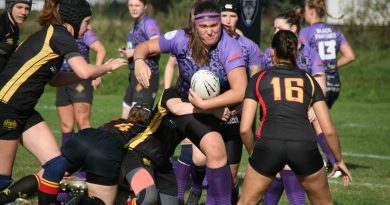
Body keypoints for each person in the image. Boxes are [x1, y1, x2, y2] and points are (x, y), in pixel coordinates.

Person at [0, 0, 127, 204]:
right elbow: (85, 70)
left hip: (23, 110)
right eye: (86, 22)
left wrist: (82, 76)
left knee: (56, 165)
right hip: (7, 107)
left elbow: (55, 79)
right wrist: (107, 67)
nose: (87, 29)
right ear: (75, 20)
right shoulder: (60, 35)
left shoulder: (55, 34)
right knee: (2, 180)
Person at [134, 1, 247, 204]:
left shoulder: (230, 47)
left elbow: (240, 90)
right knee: (148, 152)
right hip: (181, 101)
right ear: (194, 26)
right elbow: (145, 46)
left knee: (215, 149)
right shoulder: (180, 38)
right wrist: (139, 61)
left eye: (215, 26)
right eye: (204, 27)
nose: (211, 32)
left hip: (208, 108)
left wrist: (205, 107)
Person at [237, 30, 352, 205]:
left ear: (272, 53)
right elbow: (328, 130)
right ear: (296, 53)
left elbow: (245, 129)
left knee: (246, 202)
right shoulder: (309, 80)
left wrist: (255, 154)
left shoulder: (258, 79)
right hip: (304, 145)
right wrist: (339, 160)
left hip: (268, 145)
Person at [186, 1, 262, 204]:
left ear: (238, 19)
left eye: (232, 16)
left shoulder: (249, 47)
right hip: (207, 110)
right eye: (224, 16)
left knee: (230, 173)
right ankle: (195, 188)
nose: (228, 20)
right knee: (202, 159)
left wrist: (244, 105)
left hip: (235, 112)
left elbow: (256, 83)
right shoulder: (205, 43)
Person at [260, 7, 326, 205]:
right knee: (280, 172)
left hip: (300, 118)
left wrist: (313, 107)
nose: (275, 32)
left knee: (286, 169)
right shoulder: (268, 54)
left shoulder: (310, 54)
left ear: (294, 29)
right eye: (274, 29)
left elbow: (319, 82)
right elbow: (262, 85)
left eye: (279, 28)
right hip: (274, 118)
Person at [299, 0, 356, 173]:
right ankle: (328, 160)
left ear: (310, 11)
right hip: (334, 84)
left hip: (317, 83)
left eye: (305, 9)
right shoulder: (335, 32)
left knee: (314, 122)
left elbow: (302, 57)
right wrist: (332, 65)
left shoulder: (307, 32)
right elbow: (350, 56)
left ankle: (331, 162)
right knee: (318, 122)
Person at [56, 27, 106, 146]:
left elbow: (101, 50)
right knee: (66, 125)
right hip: (62, 78)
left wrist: (97, 73)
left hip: (80, 79)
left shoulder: (84, 31)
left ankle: (87, 160)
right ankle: (67, 160)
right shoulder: (58, 30)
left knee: (82, 122)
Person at [118, 0, 160, 119]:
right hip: (134, 75)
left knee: (138, 117)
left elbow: (158, 46)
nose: (133, 8)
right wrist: (127, 51)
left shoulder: (148, 23)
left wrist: (133, 52)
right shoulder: (136, 24)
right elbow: (137, 47)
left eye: (137, 5)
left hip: (146, 74)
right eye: (131, 5)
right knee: (125, 114)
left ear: (145, 6)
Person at [0, 0, 32, 71]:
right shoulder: (2, 24)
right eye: (19, 7)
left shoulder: (14, 28)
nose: (23, 12)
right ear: (10, 7)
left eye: (27, 9)